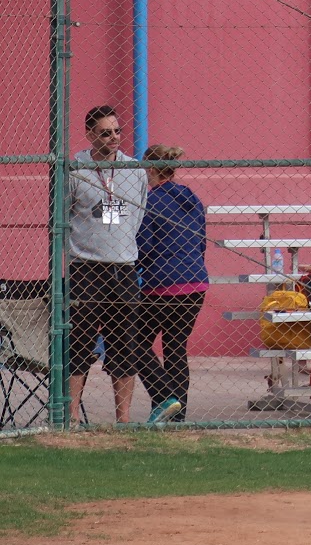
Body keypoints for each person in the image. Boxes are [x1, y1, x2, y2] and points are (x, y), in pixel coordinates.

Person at [66, 105, 147, 424]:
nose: (113, 138)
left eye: (117, 131)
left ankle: (123, 419)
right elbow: (62, 217)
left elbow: (137, 216)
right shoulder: (75, 170)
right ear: (89, 135)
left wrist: (120, 244)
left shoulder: (135, 171)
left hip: (123, 267)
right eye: (104, 133)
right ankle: (71, 416)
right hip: (86, 268)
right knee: (79, 342)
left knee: (125, 344)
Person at [135, 144, 208, 423]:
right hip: (195, 282)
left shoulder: (151, 201)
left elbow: (145, 247)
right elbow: (201, 241)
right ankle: (177, 417)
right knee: (176, 347)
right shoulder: (191, 197)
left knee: (135, 341)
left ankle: (165, 396)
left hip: (162, 285)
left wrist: (131, 267)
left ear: (150, 169)